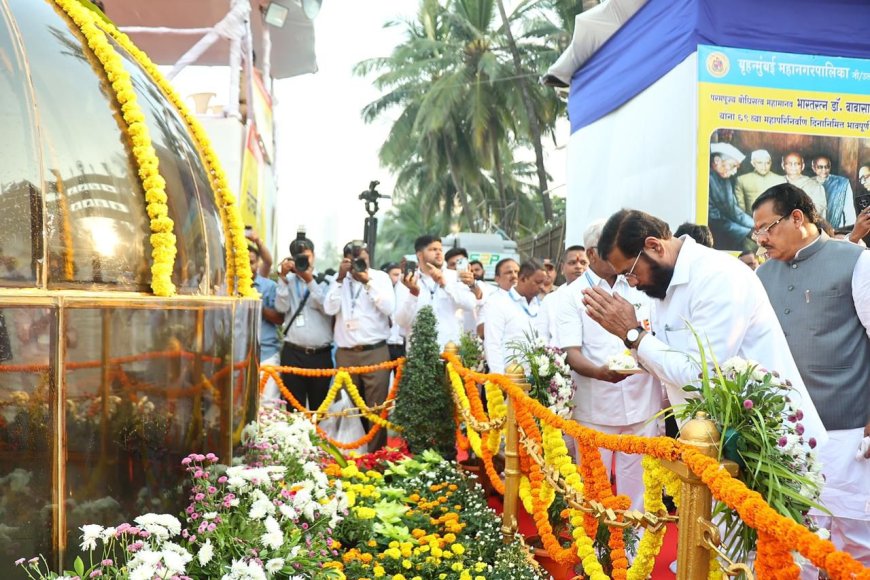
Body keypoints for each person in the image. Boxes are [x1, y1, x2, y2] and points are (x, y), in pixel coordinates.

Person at [580, 209, 826, 445]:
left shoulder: (718, 276)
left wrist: (633, 334)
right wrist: (633, 340)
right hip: (710, 439)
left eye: (630, 272)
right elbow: (666, 365)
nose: (631, 284)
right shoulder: (662, 286)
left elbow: (701, 379)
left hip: (768, 440)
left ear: (654, 246)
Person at [750, 184, 870, 564]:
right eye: (757, 232)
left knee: (856, 538)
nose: (762, 239)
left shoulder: (854, 260)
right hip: (785, 435)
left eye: (767, 228)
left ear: (798, 217)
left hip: (848, 430)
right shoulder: (761, 275)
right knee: (795, 537)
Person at [558, 222, 660, 511]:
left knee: (639, 488)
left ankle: (635, 552)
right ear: (592, 253)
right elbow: (571, 354)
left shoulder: (641, 287)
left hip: (642, 404)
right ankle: (597, 550)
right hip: (596, 408)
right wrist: (600, 373)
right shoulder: (571, 295)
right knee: (594, 489)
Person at [324, 241, 395, 451]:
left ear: (368, 257)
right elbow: (329, 308)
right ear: (345, 260)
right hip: (346, 354)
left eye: (362, 258)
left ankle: (375, 458)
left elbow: (389, 307)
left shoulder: (380, 278)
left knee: (376, 409)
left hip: (375, 352)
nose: (358, 263)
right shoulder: (339, 281)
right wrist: (339, 278)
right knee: (347, 407)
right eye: (353, 259)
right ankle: (348, 454)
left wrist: (367, 283)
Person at [274, 232, 334, 411]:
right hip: (293, 353)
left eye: (306, 257)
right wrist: (283, 279)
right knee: (293, 409)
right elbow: (281, 308)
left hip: (321, 355)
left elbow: (327, 307)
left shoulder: (325, 281)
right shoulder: (288, 281)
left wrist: (310, 281)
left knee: (319, 410)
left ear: (313, 256)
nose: (304, 261)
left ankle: (318, 438)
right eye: (298, 258)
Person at [395, 234, 476, 349]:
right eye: (433, 249)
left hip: (450, 350)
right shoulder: (407, 280)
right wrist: (413, 293)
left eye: (440, 249)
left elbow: (470, 304)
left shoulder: (454, 276)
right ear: (419, 254)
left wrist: (445, 284)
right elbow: (401, 321)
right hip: (419, 353)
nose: (438, 253)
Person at [483, 259, 548, 374]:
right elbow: (493, 344)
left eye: (544, 282)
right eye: (538, 282)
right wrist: (500, 379)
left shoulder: (542, 305)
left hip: (538, 380)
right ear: (522, 279)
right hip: (509, 379)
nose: (542, 287)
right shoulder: (498, 303)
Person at [248, 239, 283, 401]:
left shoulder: (269, 287)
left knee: (268, 407)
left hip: (267, 355)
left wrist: (258, 306)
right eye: (245, 262)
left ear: (258, 263)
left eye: (252, 262)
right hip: (238, 358)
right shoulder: (228, 288)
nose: (248, 267)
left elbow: (279, 318)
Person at [708, 143, 754, 250]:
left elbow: (733, 210)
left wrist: (756, 224)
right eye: (733, 166)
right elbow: (714, 220)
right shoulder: (707, 179)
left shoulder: (725, 180)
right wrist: (748, 232)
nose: (734, 172)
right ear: (717, 161)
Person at [541, 245, 588, 346]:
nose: (578, 266)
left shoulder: (599, 296)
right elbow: (542, 337)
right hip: (558, 359)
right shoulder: (550, 300)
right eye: (572, 263)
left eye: (583, 263)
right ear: (562, 268)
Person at [812, 155, 856, 229]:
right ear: (814, 168)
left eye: (827, 167)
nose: (824, 170)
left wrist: (849, 230)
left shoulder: (842, 183)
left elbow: (849, 210)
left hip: (836, 228)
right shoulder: (809, 183)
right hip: (815, 229)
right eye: (820, 167)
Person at [781, 152, 826, 218]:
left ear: (803, 166)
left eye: (797, 164)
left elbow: (817, 211)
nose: (793, 167)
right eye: (789, 164)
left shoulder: (814, 186)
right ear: (783, 165)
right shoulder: (777, 182)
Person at [382, 263, 406, 360]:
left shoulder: (405, 290)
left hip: (401, 343)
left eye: (400, 275)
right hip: (386, 344)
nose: (398, 278)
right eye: (395, 275)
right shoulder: (381, 292)